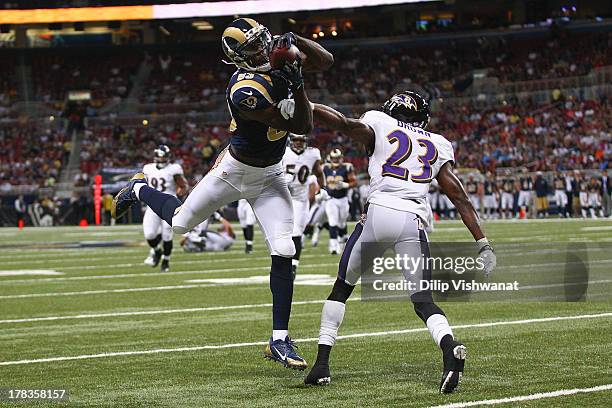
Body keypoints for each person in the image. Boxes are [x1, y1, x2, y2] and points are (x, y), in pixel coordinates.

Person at [111, 18, 333, 370]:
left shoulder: (275, 57)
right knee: (182, 222)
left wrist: (297, 41)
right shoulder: (244, 88)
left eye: (264, 41)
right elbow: (301, 125)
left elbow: (326, 61)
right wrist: (298, 84)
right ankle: (139, 186)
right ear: (238, 58)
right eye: (254, 47)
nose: (263, 49)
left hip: (270, 175)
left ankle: (279, 339)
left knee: (285, 248)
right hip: (234, 171)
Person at [302, 91, 496, 393]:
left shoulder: (380, 123)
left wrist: (309, 105)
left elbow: (344, 123)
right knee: (423, 301)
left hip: (378, 215)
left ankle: (321, 364)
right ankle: (449, 349)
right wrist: (483, 243)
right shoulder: (437, 143)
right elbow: (458, 196)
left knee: (341, 288)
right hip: (412, 221)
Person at [282, 134, 325, 274]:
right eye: (295, 140)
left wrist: (322, 188)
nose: (298, 142)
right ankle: (283, 262)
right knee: (282, 233)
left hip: (300, 200)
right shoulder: (283, 152)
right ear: (291, 141)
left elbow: (318, 173)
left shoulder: (312, 154)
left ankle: (293, 266)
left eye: (301, 140)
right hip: (282, 198)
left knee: (296, 233)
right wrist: (282, 181)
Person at [142, 145, 188, 272]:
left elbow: (183, 186)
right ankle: (157, 251)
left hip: (168, 205)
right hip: (153, 204)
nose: (161, 159)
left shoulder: (174, 169)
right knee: (150, 234)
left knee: (167, 235)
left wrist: (179, 194)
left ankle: (166, 261)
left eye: (163, 157)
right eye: (159, 156)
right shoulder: (148, 168)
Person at [323, 149, 357, 254]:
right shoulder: (325, 168)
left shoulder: (347, 167)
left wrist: (345, 185)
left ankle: (342, 244)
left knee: (342, 223)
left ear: (341, 158)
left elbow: (354, 182)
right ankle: (333, 246)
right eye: (334, 158)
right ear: (330, 158)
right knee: (333, 222)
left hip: (343, 199)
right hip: (331, 199)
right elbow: (320, 181)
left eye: (337, 158)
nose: (336, 160)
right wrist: (320, 192)